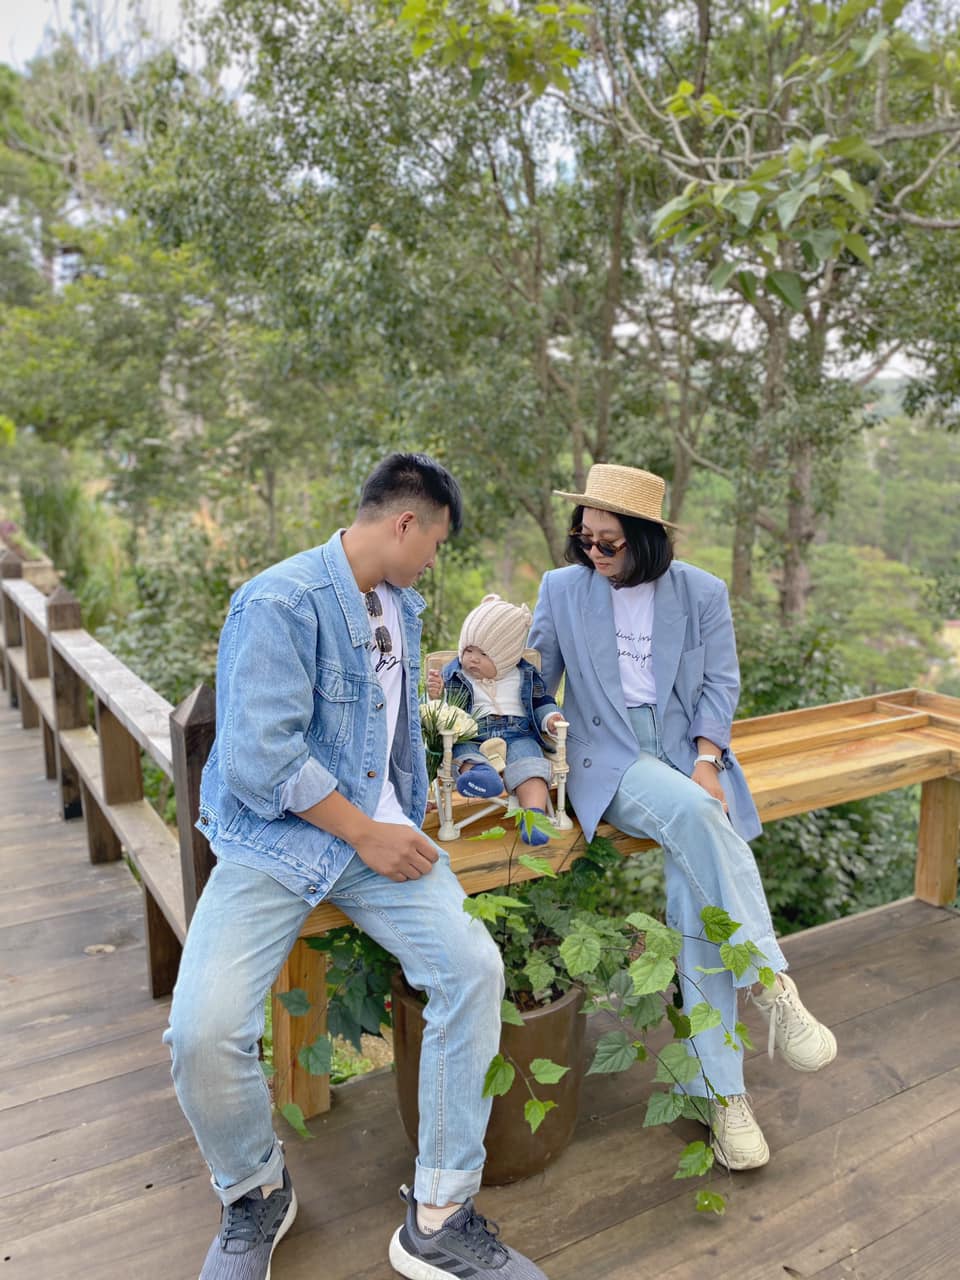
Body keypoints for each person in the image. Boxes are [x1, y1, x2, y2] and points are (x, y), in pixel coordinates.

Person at [164, 453, 550, 1280]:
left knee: (472, 970)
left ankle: (440, 1215)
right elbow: (261, 760)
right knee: (201, 1032)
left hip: (383, 834)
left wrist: (407, 807)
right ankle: (255, 1192)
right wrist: (364, 833)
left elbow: (388, 726)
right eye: (436, 544)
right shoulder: (279, 601)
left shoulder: (400, 605)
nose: (434, 562)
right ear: (405, 523)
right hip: (279, 843)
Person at [528, 463, 838, 1171]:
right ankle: (769, 982)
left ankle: (722, 1097)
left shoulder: (700, 591)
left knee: (698, 908)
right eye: (584, 538)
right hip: (609, 758)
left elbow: (720, 683)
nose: (593, 552)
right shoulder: (562, 590)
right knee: (700, 817)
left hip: (684, 755)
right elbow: (536, 685)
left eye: (608, 542)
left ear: (645, 539)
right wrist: (516, 716)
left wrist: (706, 757)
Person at [432, 593, 565, 846]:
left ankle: (534, 817)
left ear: (506, 656)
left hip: (519, 733)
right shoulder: (455, 674)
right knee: (463, 753)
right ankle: (481, 777)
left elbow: (540, 702)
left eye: (483, 654)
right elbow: (444, 711)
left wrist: (550, 717)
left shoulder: (524, 674)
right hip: (472, 732)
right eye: (468, 650)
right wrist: (437, 694)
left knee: (530, 765)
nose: (473, 658)